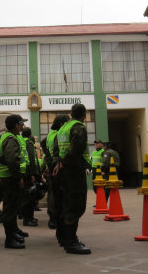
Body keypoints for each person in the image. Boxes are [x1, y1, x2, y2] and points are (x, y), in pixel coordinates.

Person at [53, 103, 92, 254]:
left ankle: (64, 238)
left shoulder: (63, 128)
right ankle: (71, 242)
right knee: (75, 205)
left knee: (64, 204)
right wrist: (63, 163)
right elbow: (77, 149)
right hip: (73, 170)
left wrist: (59, 163)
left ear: (71, 113)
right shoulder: (78, 127)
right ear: (84, 115)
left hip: (63, 171)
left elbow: (57, 149)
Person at [0, 114, 28, 249]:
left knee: (12, 207)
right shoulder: (10, 138)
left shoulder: (9, 137)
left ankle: (12, 235)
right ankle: (9, 240)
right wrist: (18, 177)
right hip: (10, 178)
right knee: (10, 209)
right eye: (21, 124)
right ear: (16, 125)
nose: (22, 127)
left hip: (9, 177)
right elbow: (11, 160)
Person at [41, 114, 70, 230]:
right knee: (57, 195)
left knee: (53, 193)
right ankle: (56, 219)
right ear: (62, 124)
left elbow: (44, 145)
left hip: (52, 164)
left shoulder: (50, 134)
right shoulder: (59, 134)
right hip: (58, 166)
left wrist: (48, 161)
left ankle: (53, 218)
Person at [21, 127, 40, 227]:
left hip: (24, 172)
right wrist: (33, 173)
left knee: (26, 196)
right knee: (30, 197)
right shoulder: (28, 143)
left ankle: (28, 217)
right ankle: (28, 219)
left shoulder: (21, 140)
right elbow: (31, 159)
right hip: (29, 173)